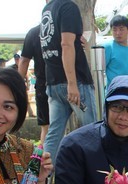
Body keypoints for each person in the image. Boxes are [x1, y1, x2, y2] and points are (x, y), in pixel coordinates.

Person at [40, 0, 97, 167]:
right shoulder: (68, 7)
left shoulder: (47, 9)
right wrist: (72, 83)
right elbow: (66, 44)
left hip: (54, 82)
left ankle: (42, 181)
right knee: (93, 132)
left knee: (54, 135)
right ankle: (94, 177)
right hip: (74, 82)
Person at [19, 24, 50, 143]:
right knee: (48, 128)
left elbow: (24, 60)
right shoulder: (66, 26)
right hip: (64, 84)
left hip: (44, 85)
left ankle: (45, 160)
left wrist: (18, 86)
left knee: (47, 128)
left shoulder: (34, 32)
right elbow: (24, 60)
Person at [103, 15, 128, 86]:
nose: (118, 33)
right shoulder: (108, 47)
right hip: (116, 93)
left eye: (121, 29)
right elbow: (98, 71)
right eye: (114, 29)